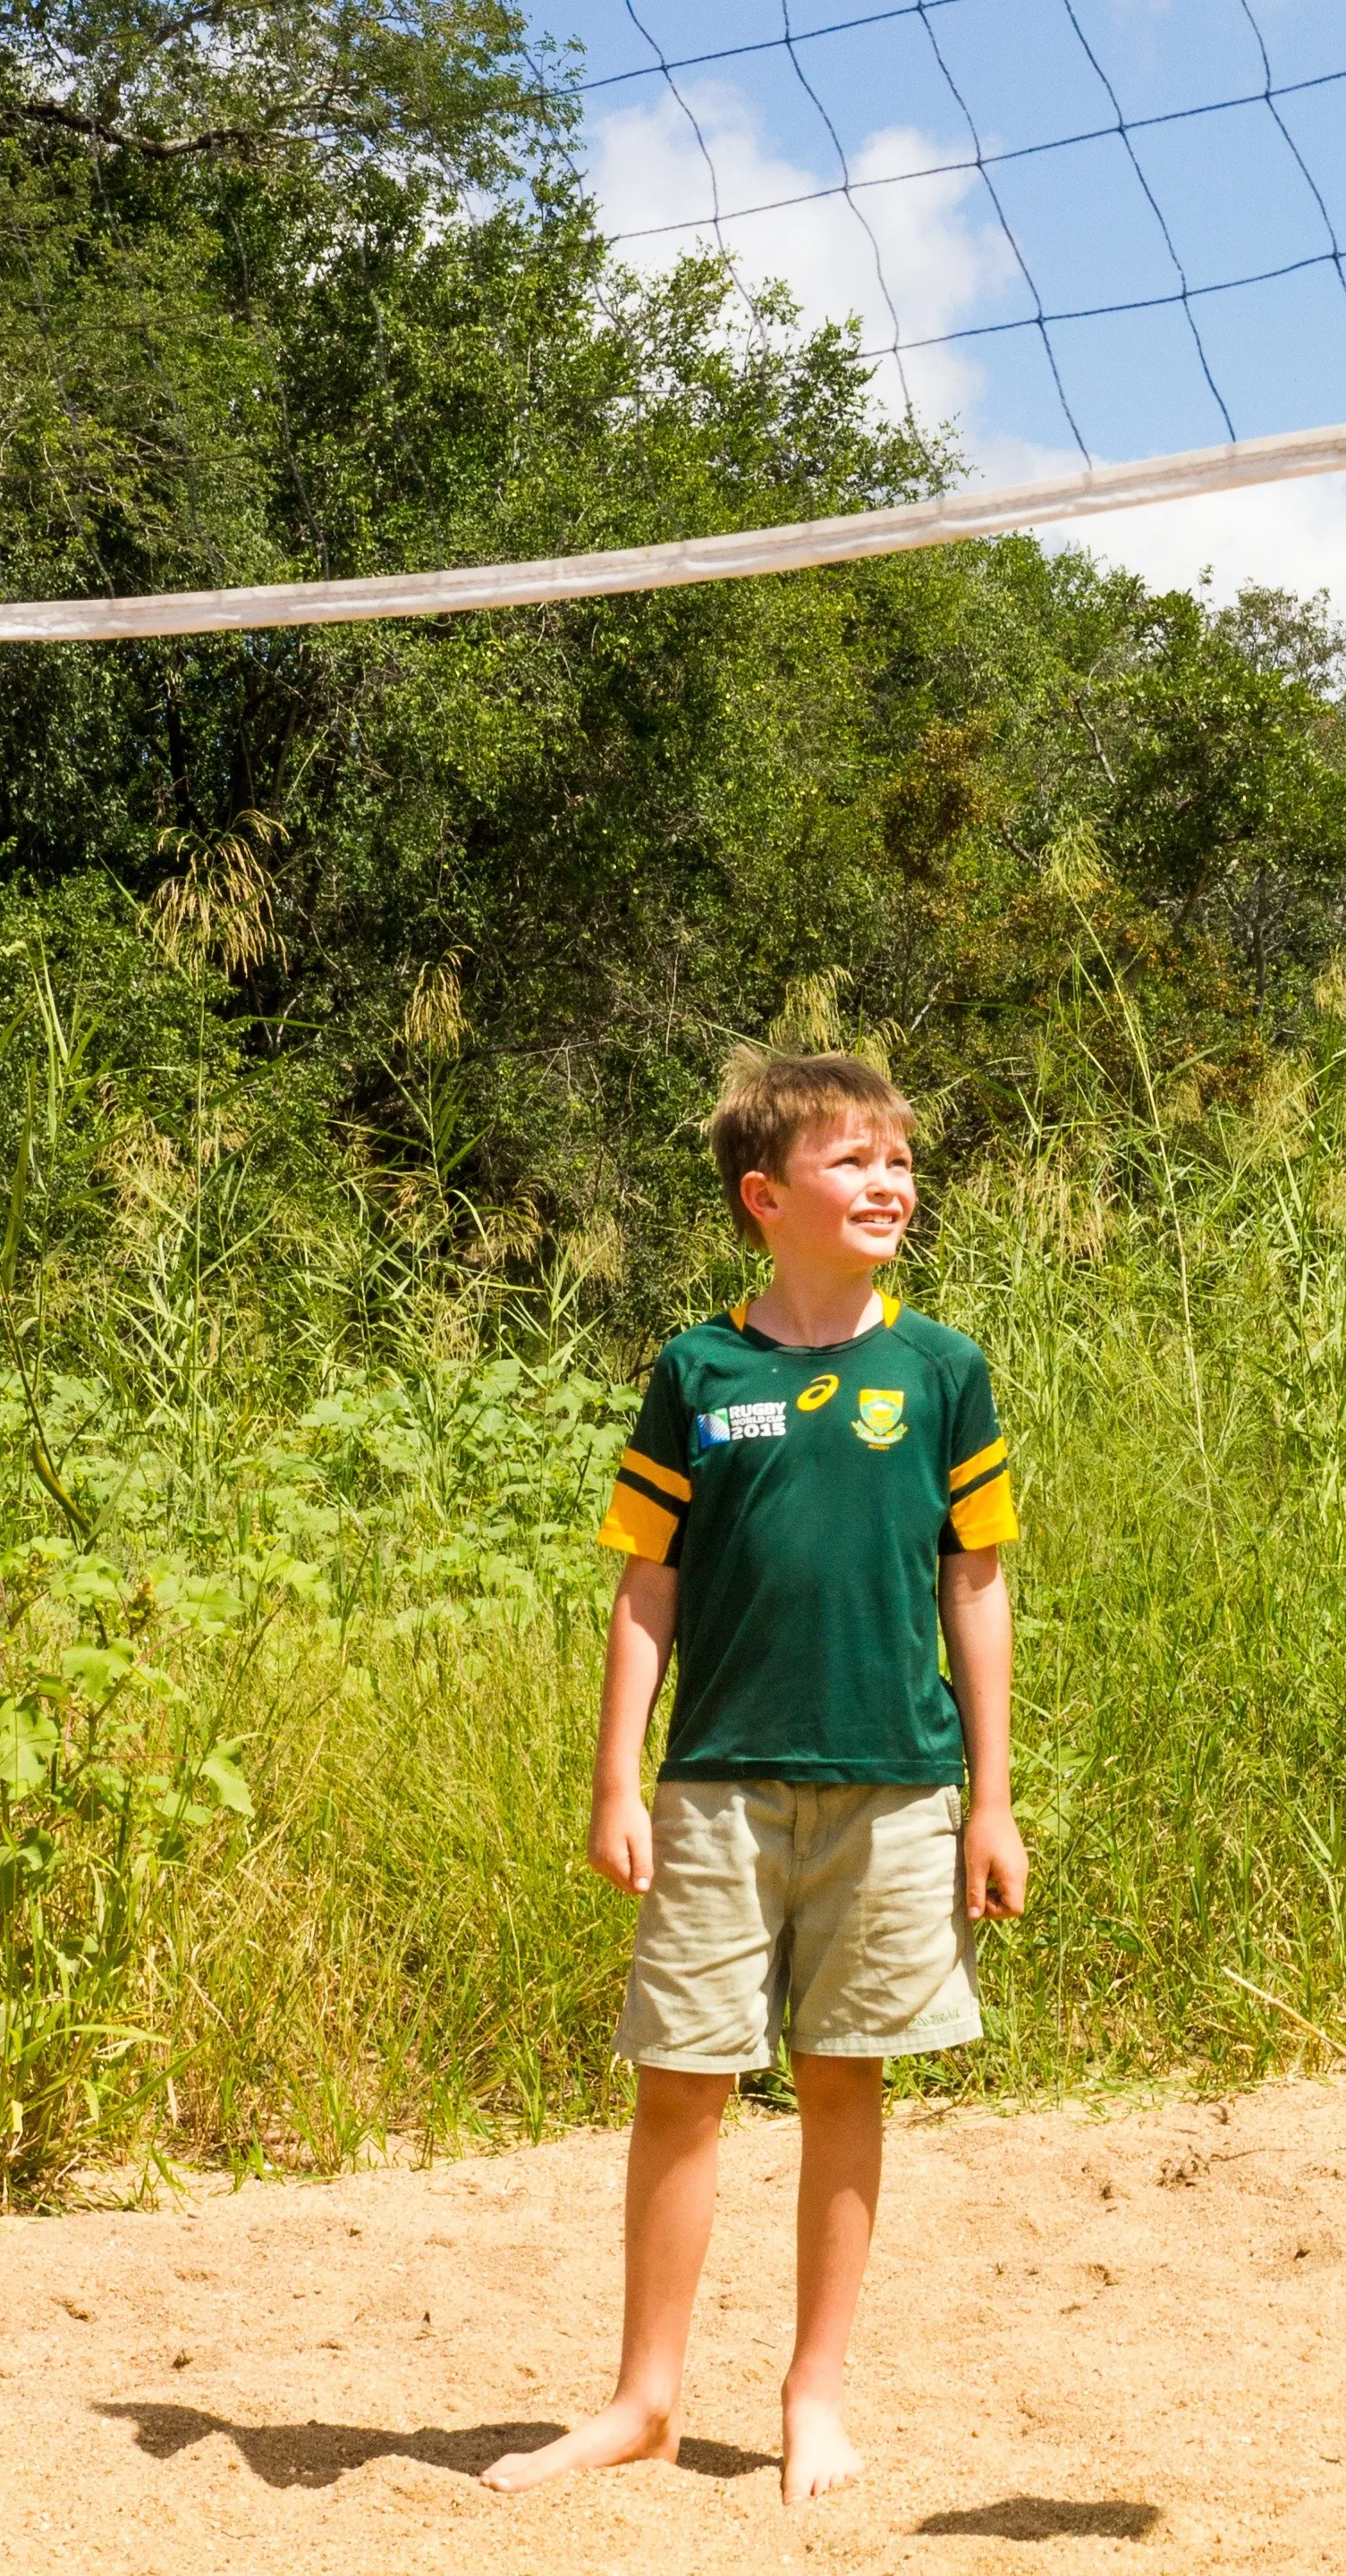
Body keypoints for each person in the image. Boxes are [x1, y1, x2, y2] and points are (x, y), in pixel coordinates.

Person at [486, 1048, 1027, 2505]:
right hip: (714, 1784)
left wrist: (993, 1797)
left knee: (848, 2078)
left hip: (898, 1789)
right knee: (682, 2082)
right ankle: (644, 2399)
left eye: (899, 1159)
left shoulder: (942, 1371)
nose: (888, 1181)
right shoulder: (696, 1369)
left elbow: (974, 1586)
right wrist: (617, 1777)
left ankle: (815, 2393)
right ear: (763, 1196)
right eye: (852, 1161)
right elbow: (644, 1587)